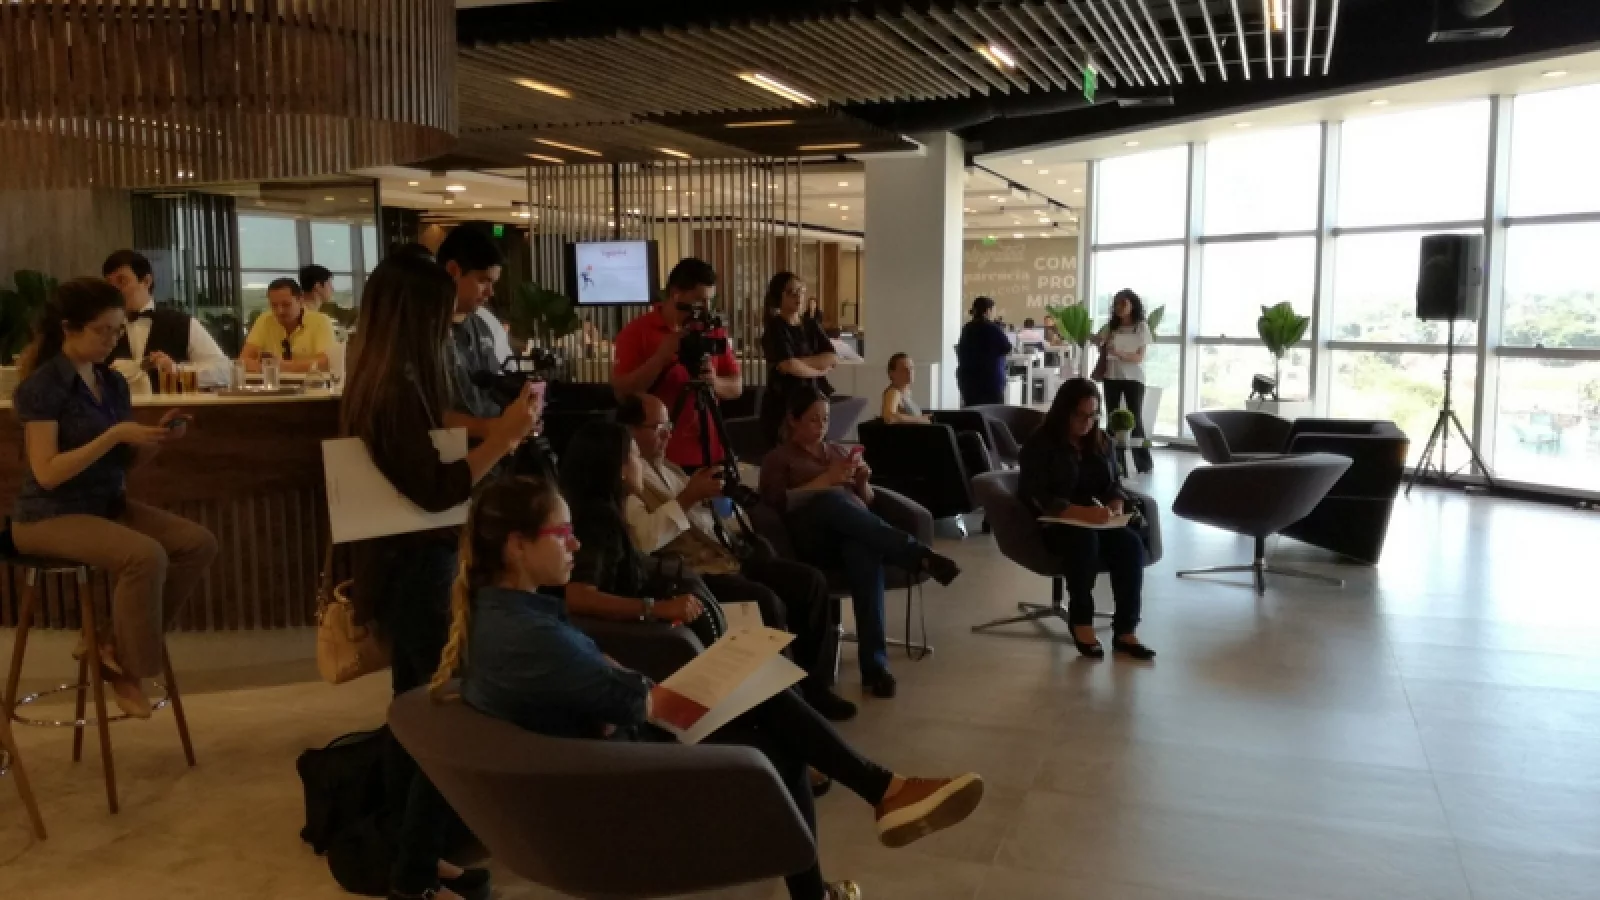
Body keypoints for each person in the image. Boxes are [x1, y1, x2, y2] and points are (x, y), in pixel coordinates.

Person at [432, 476, 986, 900]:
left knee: (768, 704)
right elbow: (639, 700)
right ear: (516, 547)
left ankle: (880, 797)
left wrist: (620, 679)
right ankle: (879, 795)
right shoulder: (530, 636)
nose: (574, 543)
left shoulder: (503, 616)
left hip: (600, 754)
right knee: (777, 732)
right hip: (614, 777)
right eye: (561, 533)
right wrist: (649, 683)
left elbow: (601, 684)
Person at [341, 245, 537, 900]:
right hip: (416, 564)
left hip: (405, 560)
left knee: (415, 713)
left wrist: (496, 427)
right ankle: (413, 871)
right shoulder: (395, 385)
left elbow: (431, 437)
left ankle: (416, 856)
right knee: (438, 716)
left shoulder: (383, 373)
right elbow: (436, 487)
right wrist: (503, 439)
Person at [9, 278, 217, 718]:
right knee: (145, 556)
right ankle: (127, 670)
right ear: (69, 328)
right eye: (101, 331)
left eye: (117, 330)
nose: (111, 340)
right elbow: (47, 473)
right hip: (47, 515)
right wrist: (114, 435)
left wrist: (156, 440)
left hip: (105, 505)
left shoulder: (112, 382)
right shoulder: (43, 387)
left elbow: (122, 465)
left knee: (197, 543)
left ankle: (107, 642)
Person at [612, 396, 855, 721]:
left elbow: (706, 518)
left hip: (726, 553)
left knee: (809, 582)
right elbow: (643, 539)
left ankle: (816, 687)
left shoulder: (669, 468)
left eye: (668, 425)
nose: (667, 434)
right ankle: (787, 703)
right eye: (657, 427)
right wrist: (688, 497)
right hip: (693, 570)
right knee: (765, 600)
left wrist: (726, 508)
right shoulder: (627, 480)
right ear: (629, 431)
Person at [759, 387, 961, 698]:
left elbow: (865, 504)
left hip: (852, 532)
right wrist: (825, 482)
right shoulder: (778, 458)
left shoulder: (838, 452)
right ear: (793, 420)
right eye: (813, 420)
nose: (821, 427)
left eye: (826, 419)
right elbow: (775, 503)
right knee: (831, 501)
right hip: (810, 539)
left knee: (863, 549)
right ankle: (915, 553)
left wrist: (863, 483)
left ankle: (875, 668)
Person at [1017, 378, 1155, 661]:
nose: (1087, 423)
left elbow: (1114, 483)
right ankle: (1081, 621)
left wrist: (1115, 504)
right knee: (1084, 542)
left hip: (1097, 519)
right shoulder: (1040, 443)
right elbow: (1036, 494)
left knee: (1130, 544)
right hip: (1057, 522)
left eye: (1093, 415)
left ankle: (1126, 630)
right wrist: (1080, 513)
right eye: (1080, 415)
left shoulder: (1100, 440)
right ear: (1064, 412)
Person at [611, 257, 741, 470]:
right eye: (699, 300)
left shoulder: (712, 330)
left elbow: (737, 387)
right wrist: (660, 358)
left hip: (711, 451)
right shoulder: (636, 332)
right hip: (663, 456)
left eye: (710, 301)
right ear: (676, 294)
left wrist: (714, 382)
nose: (706, 308)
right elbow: (622, 394)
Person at [102, 249, 230, 389]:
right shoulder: (103, 329)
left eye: (122, 281)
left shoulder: (182, 323)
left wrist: (176, 370)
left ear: (146, 281)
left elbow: (223, 371)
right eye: (109, 283)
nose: (114, 290)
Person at [881, 353, 993, 478]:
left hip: (930, 434)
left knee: (973, 432)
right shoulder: (893, 392)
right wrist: (920, 419)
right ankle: (987, 478)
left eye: (911, 368)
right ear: (892, 373)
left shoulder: (906, 393)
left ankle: (987, 474)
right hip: (922, 442)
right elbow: (889, 417)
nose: (909, 372)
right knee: (971, 439)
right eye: (904, 369)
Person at [760, 272, 837, 445]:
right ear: (779, 296)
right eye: (792, 292)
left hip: (813, 399)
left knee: (815, 450)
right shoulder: (775, 327)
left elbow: (832, 357)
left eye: (801, 291)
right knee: (788, 452)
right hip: (785, 401)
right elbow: (788, 365)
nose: (799, 296)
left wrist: (798, 363)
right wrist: (818, 371)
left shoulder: (811, 324)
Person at [437, 225, 515, 371]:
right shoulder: (422, 329)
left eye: (493, 284)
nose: (490, 292)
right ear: (453, 271)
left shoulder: (486, 323)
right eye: (483, 281)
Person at [1096, 289, 1155, 475]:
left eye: (1124, 303)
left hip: (1134, 378)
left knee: (1135, 418)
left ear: (1133, 305)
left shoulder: (1141, 327)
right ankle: (1114, 463)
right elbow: (1101, 347)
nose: (1119, 307)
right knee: (1112, 418)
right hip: (1111, 375)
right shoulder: (1111, 326)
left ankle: (1143, 462)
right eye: (1117, 304)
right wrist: (1100, 343)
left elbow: (1139, 357)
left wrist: (1119, 353)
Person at [239, 278, 336, 374]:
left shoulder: (320, 321)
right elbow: (243, 360)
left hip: (311, 382)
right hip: (273, 381)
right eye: (274, 305)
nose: (280, 311)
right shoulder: (265, 320)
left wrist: (283, 366)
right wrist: (264, 367)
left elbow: (325, 362)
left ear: (300, 300)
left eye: (286, 305)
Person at [955, 296, 1011, 407]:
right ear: (988, 311)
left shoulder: (967, 328)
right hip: (990, 381)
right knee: (993, 412)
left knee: (973, 413)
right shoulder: (993, 328)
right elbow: (1007, 347)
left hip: (969, 382)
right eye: (993, 311)